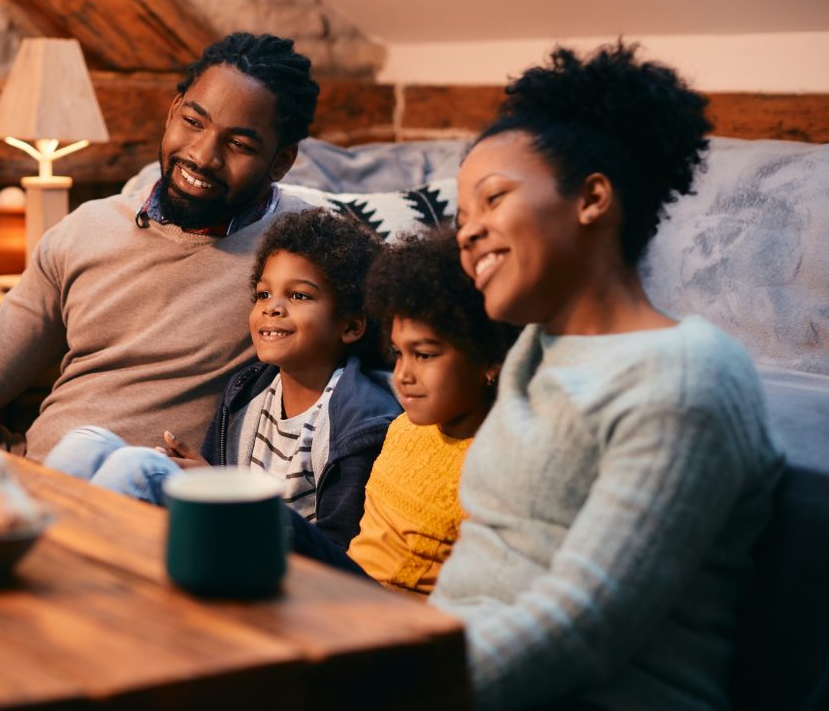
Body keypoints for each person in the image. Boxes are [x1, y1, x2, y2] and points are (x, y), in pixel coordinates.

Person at [430, 43, 784, 710]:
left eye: (493, 199)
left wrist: (388, 690)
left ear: (593, 198)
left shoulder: (686, 376)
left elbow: (581, 624)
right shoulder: (536, 349)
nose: (467, 235)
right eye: (462, 218)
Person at [0, 32, 318, 462]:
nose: (202, 155)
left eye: (239, 144)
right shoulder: (85, 230)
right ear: (173, 111)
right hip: (19, 466)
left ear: (280, 162)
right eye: (194, 121)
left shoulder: (301, 253)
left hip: (123, 493)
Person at [45, 208, 399, 550]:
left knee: (137, 469)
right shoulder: (247, 393)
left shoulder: (360, 420)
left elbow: (339, 546)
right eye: (263, 293)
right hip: (233, 535)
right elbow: (220, 478)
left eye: (298, 295)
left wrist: (218, 487)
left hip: (286, 568)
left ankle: (73, 576)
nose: (271, 308)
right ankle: (50, 559)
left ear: (351, 326)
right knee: (86, 442)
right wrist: (206, 474)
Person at [291, 225, 519, 592]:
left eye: (425, 355)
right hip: (347, 599)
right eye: (398, 354)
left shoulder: (502, 466)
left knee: (271, 522)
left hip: (405, 628)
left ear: (490, 360)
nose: (403, 375)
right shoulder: (403, 428)